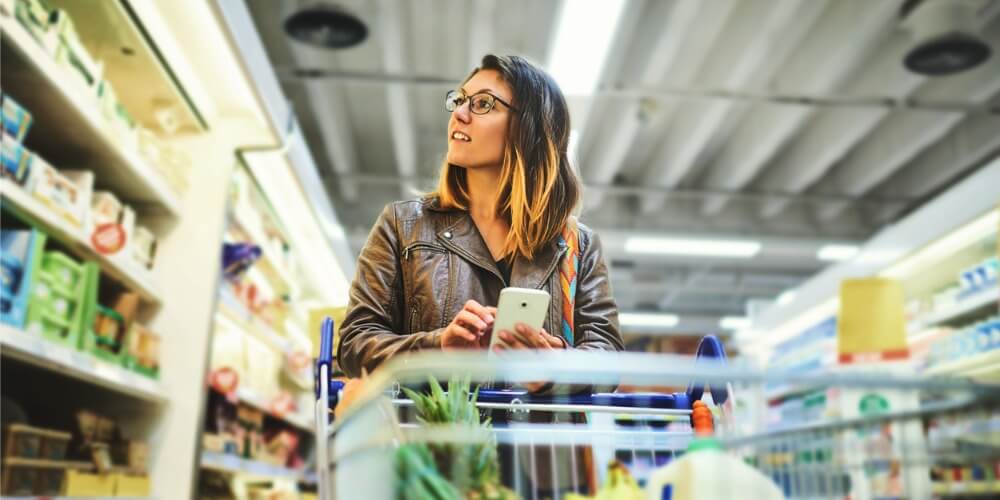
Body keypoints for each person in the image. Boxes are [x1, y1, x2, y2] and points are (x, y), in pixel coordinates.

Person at [337, 54, 623, 392]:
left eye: (483, 104)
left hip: (538, 442)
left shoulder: (578, 244)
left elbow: (608, 361)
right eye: (459, 100)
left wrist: (554, 363)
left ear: (529, 128)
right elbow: (354, 345)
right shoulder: (403, 225)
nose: (459, 113)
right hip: (433, 441)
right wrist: (438, 347)